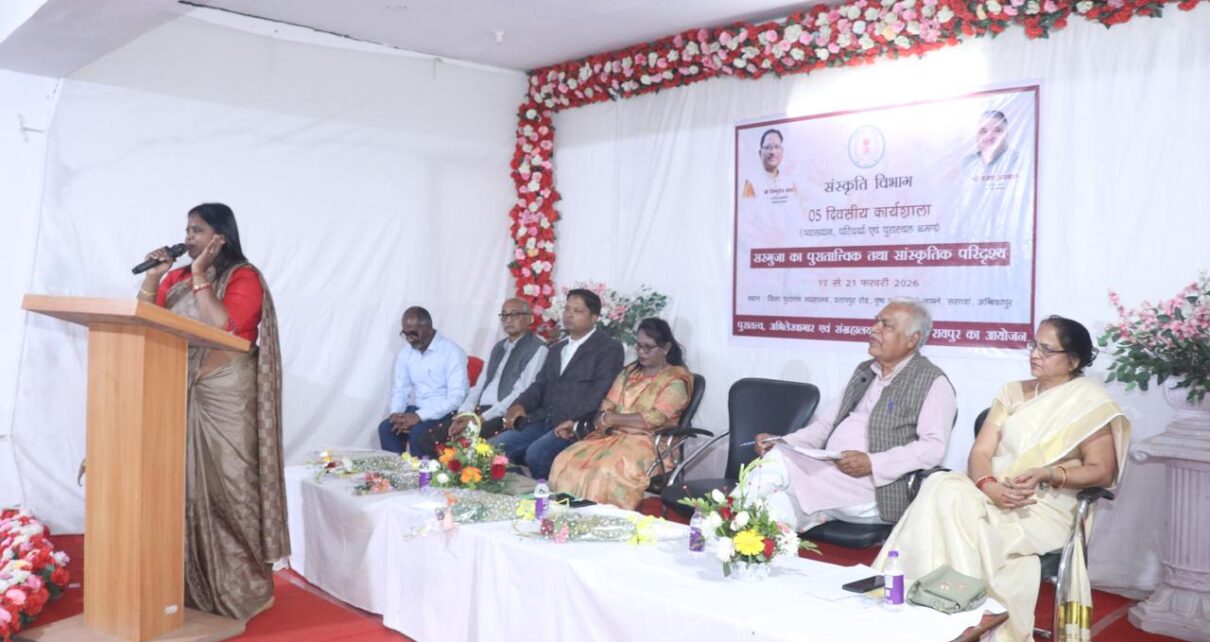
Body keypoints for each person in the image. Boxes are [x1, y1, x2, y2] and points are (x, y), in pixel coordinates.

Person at [873, 316, 1130, 642]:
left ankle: (958, 613)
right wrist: (989, 486)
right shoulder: (1012, 392)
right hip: (992, 491)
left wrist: (1048, 473)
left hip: (1041, 504)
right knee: (940, 486)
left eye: (1047, 350)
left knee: (958, 512)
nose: (1035, 354)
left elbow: (1102, 470)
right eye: (1034, 345)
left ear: (1073, 361)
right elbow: (980, 453)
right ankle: (929, 611)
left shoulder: (1090, 403)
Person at [136, 202, 288, 620]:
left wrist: (202, 274)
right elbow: (146, 320)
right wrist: (153, 277)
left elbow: (223, 327)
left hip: (227, 395)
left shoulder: (243, 276)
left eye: (197, 230)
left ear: (220, 236)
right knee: (184, 488)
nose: (188, 238)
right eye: (187, 230)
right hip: (178, 389)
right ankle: (191, 586)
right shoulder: (176, 277)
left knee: (232, 487)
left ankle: (244, 588)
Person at [739, 298, 956, 531]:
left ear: (912, 339)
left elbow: (933, 447)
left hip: (875, 490)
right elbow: (824, 427)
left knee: (777, 463)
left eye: (886, 325)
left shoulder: (933, 382)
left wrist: (872, 463)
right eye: (876, 322)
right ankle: (732, 537)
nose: (874, 329)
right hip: (832, 479)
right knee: (771, 510)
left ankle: (723, 517)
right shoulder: (865, 372)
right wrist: (781, 442)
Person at [549, 318, 693, 509]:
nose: (641, 352)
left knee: (605, 469)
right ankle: (569, 516)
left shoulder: (675, 380)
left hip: (650, 443)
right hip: (612, 436)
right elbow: (608, 404)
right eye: (639, 346)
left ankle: (605, 520)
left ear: (665, 348)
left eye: (648, 347)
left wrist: (611, 419)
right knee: (565, 460)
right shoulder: (629, 373)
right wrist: (603, 419)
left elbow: (655, 418)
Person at [490, 288, 623, 480]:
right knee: (497, 446)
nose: (569, 315)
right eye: (567, 309)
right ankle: (521, 489)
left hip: (575, 425)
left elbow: (600, 393)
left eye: (577, 311)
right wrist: (520, 405)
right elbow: (539, 385)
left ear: (594, 317)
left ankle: (548, 494)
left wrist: (575, 420)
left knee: (537, 454)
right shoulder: (557, 348)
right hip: (544, 418)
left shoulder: (608, 348)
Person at [376, 307, 469, 458]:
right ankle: (397, 470)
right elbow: (401, 389)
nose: (409, 339)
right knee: (386, 428)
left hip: (446, 412)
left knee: (418, 434)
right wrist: (396, 414)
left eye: (413, 333)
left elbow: (456, 398)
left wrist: (419, 416)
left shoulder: (452, 352)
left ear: (428, 328)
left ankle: (421, 473)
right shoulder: (405, 354)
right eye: (405, 334)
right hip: (418, 408)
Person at [449, 298, 547, 441]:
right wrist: (465, 413)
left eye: (514, 315)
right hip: (479, 409)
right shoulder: (498, 347)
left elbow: (521, 391)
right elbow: (480, 385)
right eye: (504, 315)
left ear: (530, 318)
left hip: (504, 413)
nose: (508, 320)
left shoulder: (538, 348)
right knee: (429, 438)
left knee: (465, 440)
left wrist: (481, 419)